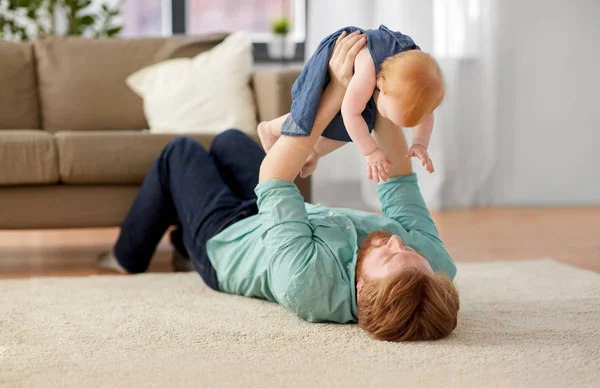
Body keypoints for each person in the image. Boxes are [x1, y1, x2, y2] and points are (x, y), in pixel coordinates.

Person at [99, 31, 459, 342]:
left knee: (180, 153)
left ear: (362, 288)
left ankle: (128, 255)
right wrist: (389, 86)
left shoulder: (307, 284)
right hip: (285, 216)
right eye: (412, 253)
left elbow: (274, 178)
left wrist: (336, 89)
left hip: (229, 240)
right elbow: (398, 180)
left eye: (390, 256)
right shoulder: (434, 265)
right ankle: (181, 241)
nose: (398, 242)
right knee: (228, 141)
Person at [257, 27, 444, 183]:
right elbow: (349, 113)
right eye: (387, 113)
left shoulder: (420, 81)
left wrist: (420, 143)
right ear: (381, 86)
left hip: (380, 68)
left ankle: (315, 150)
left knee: (362, 126)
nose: (386, 121)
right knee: (310, 113)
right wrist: (370, 152)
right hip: (339, 54)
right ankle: (269, 128)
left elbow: (426, 114)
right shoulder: (367, 73)